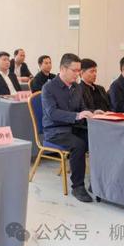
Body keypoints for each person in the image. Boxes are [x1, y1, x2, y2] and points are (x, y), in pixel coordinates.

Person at [41, 53, 94, 202]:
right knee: (79, 145)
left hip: (74, 127)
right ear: (63, 69)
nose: (78, 74)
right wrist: (77, 115)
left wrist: (92, 112)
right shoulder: (49, 88)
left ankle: (97, 182)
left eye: (79, 71)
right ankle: (78, 187)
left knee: (97, 139)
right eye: (74, 70)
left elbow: (82, 108)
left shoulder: (77, 87)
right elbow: (52, 113)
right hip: (55, 130)